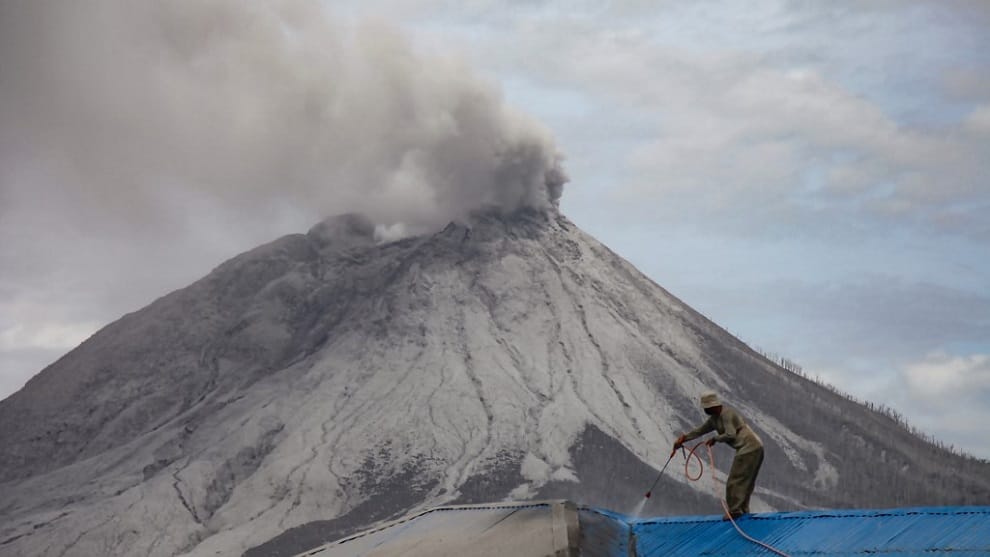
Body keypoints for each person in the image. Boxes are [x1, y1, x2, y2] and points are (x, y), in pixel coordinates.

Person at [673, 392, 764, 519]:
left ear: (715, 406)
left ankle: (735, 511)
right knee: (745, 481)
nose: (706, 410)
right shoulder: (714, 420)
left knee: (735, 480)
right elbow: (699, 431)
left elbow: (730, 434)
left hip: (749, 447)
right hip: (753, 447)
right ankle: (742, 509)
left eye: (708, 408)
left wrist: (715, 439)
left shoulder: (726, 414)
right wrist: (683, 439)